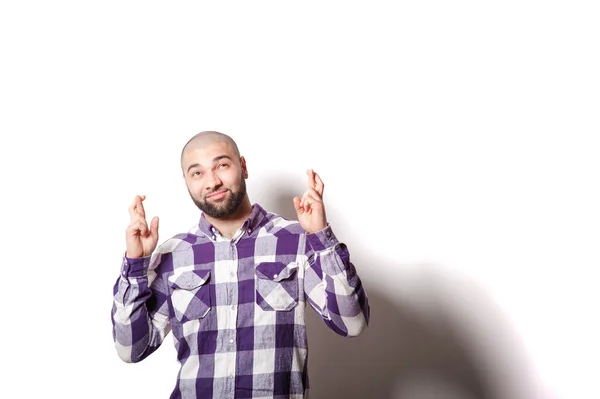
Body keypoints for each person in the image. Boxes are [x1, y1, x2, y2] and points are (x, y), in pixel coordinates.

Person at [112, 131, 370, 399]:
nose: (212, 182)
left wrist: (321, 237)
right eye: (197, 173)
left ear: (243, 166)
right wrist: (135, 265)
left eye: (222, 165)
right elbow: (131, 349)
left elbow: (353, 323)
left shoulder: (296, 242)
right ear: (187, 182)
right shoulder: (174, 254)